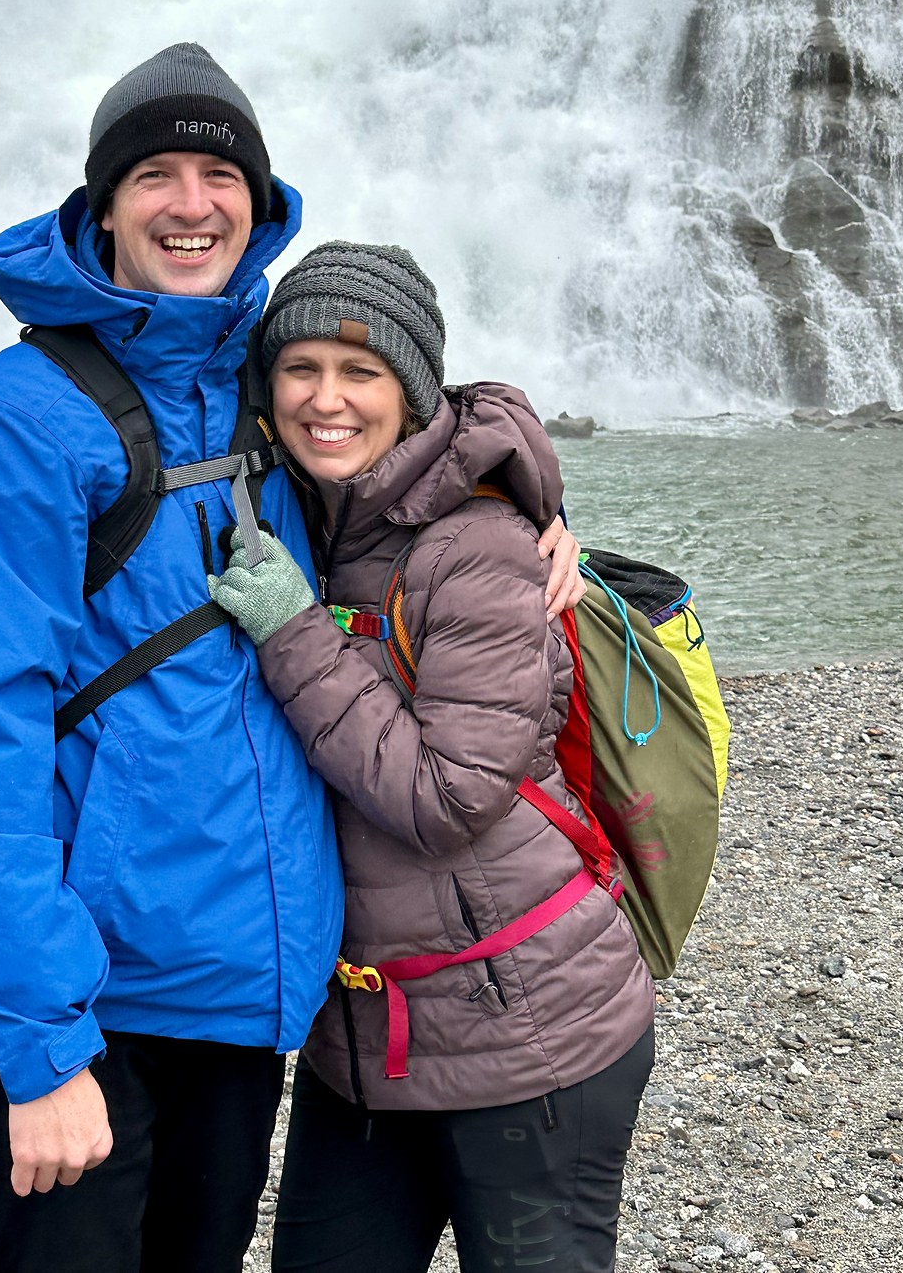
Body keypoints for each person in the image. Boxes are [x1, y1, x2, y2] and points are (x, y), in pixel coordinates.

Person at [0, 47, 584, 1273]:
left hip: (246, 990)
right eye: (154, 173)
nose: (191, 201)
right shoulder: (7, 427)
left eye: (221, 173)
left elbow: (409, 421)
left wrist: (523, 500)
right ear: (101, 205)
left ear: (260, 206)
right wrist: (39, 1047)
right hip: (93, 998)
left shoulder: (257, 380)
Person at [208, 241, 656, 1273]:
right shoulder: (296, 512)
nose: (326, 399)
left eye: (360, 373)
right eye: (300, 369)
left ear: (410, 396)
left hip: (530, 1033)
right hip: (364, 1039)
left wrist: (290, 631)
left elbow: (445, 798)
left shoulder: (481, 547)